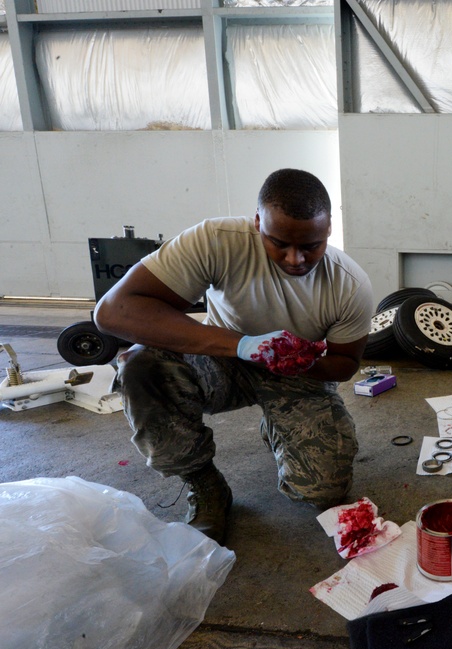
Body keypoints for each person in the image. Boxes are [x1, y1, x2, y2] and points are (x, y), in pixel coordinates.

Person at [95, 168, 374, 545]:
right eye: (279, 243)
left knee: (322, 493)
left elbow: (345, 365)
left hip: (296, 374)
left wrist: (303, 359)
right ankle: (206, 485)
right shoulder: (217, 240)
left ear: (328, 231)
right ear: (258, 222)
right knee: (143, 366)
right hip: (223, 361)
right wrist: (243, 345)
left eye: (311, 246)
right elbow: (113, 312)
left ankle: (278, 423)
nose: (295, 259)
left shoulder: (349, 283)